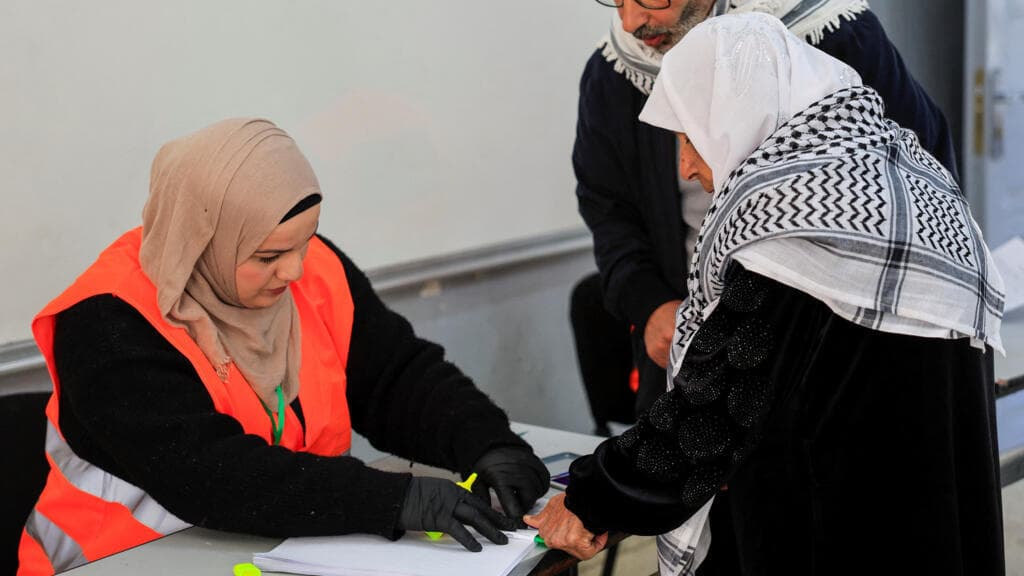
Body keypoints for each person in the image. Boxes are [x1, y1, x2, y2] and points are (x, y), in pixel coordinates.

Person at [528, 13, 1006, 576]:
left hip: (846, 526)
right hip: (933, 508)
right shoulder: (905, 174)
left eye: (689, 135)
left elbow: (708, 416)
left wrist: (590, 499)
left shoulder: (798, 227)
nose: (685, 164)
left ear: (739, 114)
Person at [17, 118, 549, 576]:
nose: (293, 271)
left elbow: (395, 378)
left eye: (306, 240)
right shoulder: (108, 322)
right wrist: (394, 500)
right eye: (268, 256)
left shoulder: (311, 266)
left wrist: (486, 441)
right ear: (204, 239)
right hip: (121, 560)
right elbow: (207, 473)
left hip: (273, 547)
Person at [572, 0, 961, 420]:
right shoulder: (618, 69)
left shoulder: (830, 34)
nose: (629, 22)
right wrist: (649, 304)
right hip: (691, 343)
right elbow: (606, 207)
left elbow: (923, 188)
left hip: (837, 355)